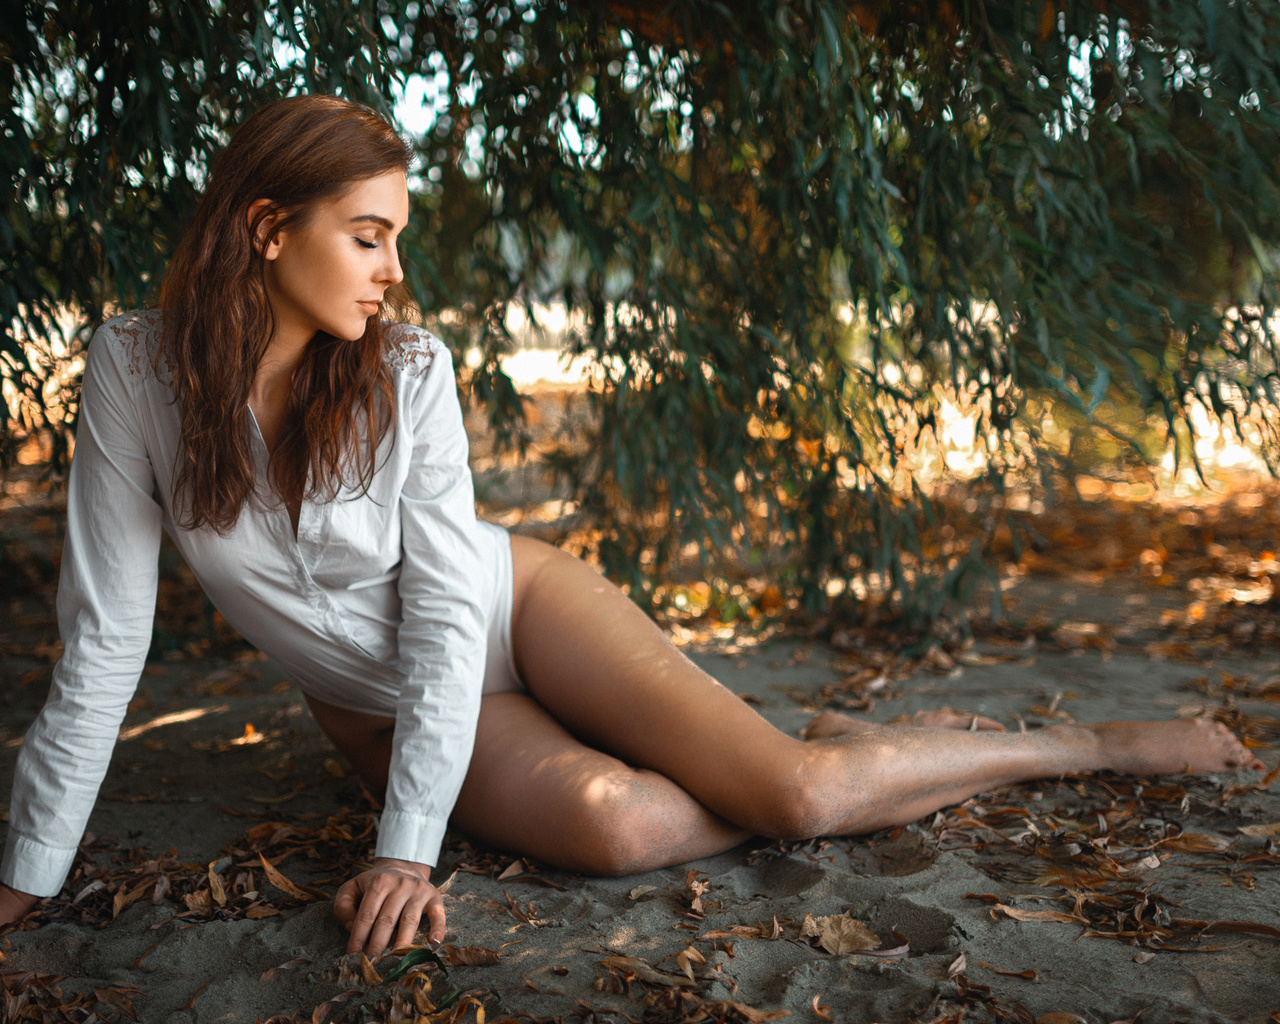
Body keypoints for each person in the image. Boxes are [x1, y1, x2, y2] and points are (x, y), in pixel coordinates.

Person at [0, 95, 1261, 959]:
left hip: (513, 610)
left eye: (397, 238)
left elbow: (448, 610)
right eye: (368, 236)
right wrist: (27, 870)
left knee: (802, 799)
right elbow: (105, 638)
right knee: (619, 829)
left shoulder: (406, 370)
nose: (392, 270)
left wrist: (402, 853)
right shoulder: (134, 372)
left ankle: (1074, 740)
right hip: (376, 705)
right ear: (269, 228)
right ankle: (781, 752)